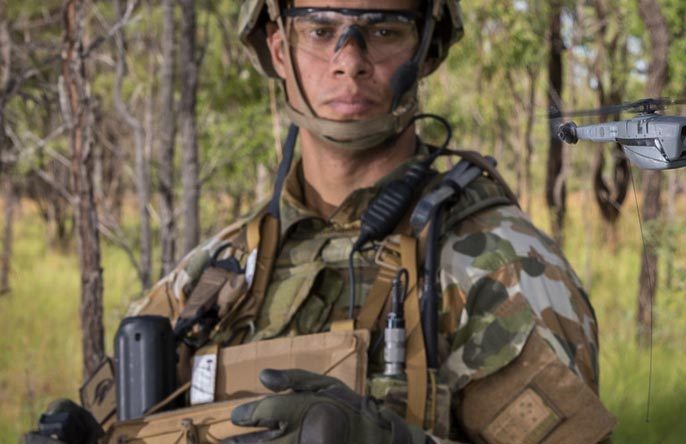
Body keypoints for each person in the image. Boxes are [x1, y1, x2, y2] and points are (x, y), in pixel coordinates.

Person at [28, 0, 615, 443]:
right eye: (320, 29)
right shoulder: (215, 273)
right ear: (279, 47)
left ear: (426, 50)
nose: (350, 61)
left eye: (384, 30)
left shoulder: (495, 266)